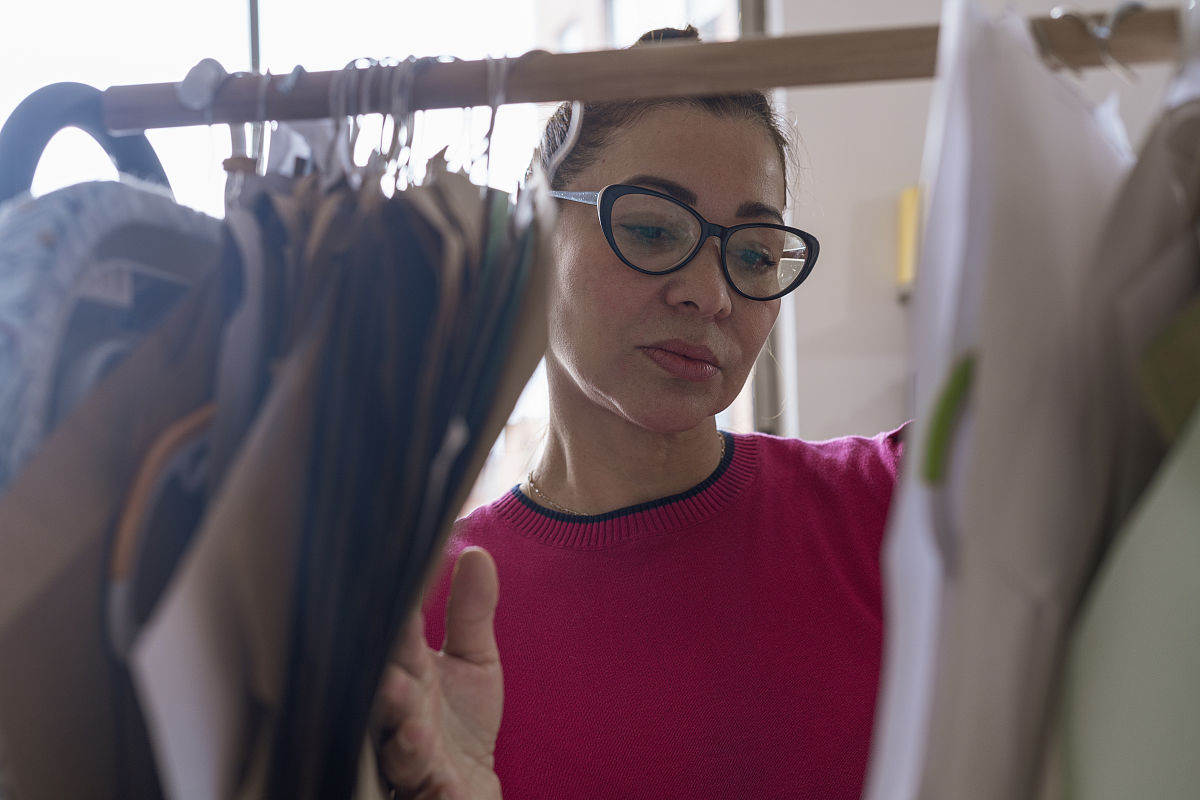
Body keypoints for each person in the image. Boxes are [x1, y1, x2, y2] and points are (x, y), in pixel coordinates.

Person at [370, 26, 903, 800]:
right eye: (654, 230)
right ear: (536, 228)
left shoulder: (893, 507)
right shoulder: (435, 613)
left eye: (753, 253)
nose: (711, 294)